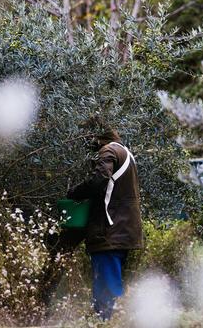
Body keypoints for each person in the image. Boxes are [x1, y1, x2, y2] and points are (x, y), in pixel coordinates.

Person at [67, 127, 143, 320]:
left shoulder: (109, 150)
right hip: (124, 229)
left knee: (107, 288)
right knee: (110, 283)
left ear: (98, 138)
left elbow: (99, 179)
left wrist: (74, 192)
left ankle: (107, 322)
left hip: (109, 230)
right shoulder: (127, 154)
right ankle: (108, 320)